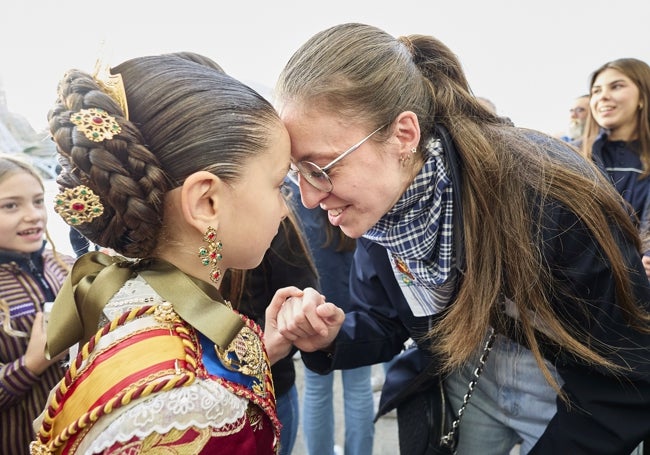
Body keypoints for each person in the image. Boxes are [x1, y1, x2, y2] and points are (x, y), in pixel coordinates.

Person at [268, 23, 650, 454]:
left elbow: (626, 370)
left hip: (571, 388)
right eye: (296, 172)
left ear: (404, 135)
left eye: (321, 168)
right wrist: (332, 338)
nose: (309, 197)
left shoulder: (546, 195)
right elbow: (388, 320)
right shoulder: (382, 212)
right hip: (465, 380)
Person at [30, 52, 315, 454]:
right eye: (278, 185)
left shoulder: (115, 299)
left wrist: (264, 349)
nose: (286, 208)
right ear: (207, 203)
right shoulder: (191, 402)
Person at [286, 178, 375, 455]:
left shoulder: (295, 196)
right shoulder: (355, 190)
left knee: (316, 388)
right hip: (359, 303)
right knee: (359, 388)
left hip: (315, 307)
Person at [220, 208, 319, 455]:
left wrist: (290, 326)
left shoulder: (277, 220)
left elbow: (300, 297)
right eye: (276, 184)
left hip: (271, 394)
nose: (287, 207)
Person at [0, 154, 74, 455]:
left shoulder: (67, 267)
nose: (33, 215)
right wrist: (32, 364)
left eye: (38, 201)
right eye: (11, 205)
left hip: (77, 432)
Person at [581, 58, 650, 281]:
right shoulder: (569, 156)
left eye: (617, 86)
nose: (603, 97)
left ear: (643, 96)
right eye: (596, 91)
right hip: (583, 295)